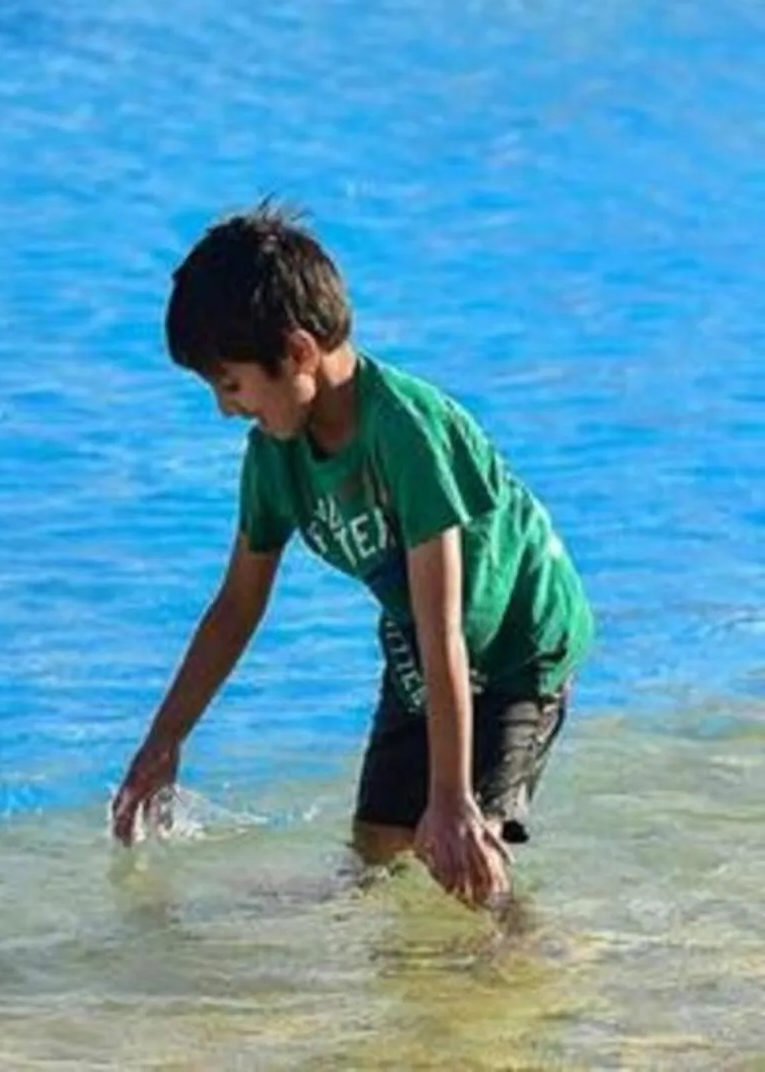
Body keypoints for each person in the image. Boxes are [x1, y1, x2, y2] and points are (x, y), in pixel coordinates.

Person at [112, 206, 594, 908]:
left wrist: (451, 797)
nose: (225, 409)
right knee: (375, 852)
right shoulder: (274, 457)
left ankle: (529, 963)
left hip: (519, 644)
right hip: (419, 641)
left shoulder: (406, 433)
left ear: (298, 352)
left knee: (463, 854)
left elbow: (448, 624)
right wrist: (164, 741)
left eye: (232, 384)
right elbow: (237, 605)